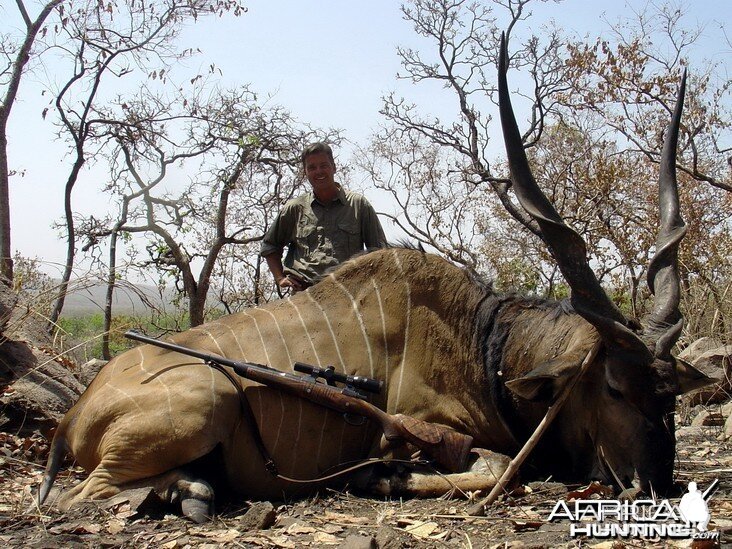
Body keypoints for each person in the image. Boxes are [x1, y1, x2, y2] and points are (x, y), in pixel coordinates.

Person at [261, 142, 387, 292]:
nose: (318, 171)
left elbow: (380, 252)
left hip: (347, 293)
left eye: (323, 165)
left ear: (334, 167)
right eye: (312, 167)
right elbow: (270, 246)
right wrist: (280, 278)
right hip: (303, 295)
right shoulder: (294, 208)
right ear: (305, 172)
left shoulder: (358, 205)